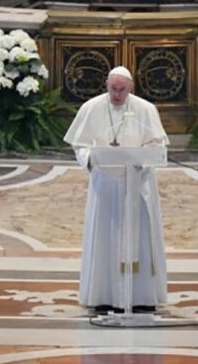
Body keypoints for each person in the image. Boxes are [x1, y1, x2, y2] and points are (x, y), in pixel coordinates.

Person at [64, 66, 169, 313]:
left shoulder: (145, 109)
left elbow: (157, 143)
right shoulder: (91, 108)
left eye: (122, 90)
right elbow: (79, 145)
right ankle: (103, 295)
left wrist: (140, 159)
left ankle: (142, 297)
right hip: (106, 185)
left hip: (137, 183)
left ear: (131, 88)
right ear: (106, 85)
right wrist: (90, 158)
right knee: (105, 236)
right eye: (113, 89)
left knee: (140, 237)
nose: (117, 95)